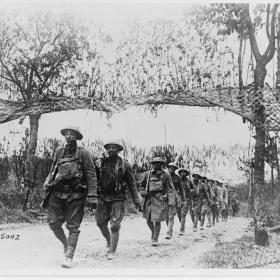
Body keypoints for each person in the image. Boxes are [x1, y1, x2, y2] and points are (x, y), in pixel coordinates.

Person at [43, 125, 98, 268]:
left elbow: (91, 174)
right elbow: (53, 169)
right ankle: (67, 245)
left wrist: (92, 195)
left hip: (76, 193)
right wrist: (47, 182)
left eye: (72, 134)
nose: (68, 136)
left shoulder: (84, 153)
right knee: (53, 223)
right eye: (66, 134)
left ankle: (69, 256)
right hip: (57, 191)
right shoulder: (59, 152)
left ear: (77, 137)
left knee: (73, 226)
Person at [95, 140, 141, 260]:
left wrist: (136, 200)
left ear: (118, 150)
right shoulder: (101, 163)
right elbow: (92, 178)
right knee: (100, 223)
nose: (111, 150)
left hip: (118, 198)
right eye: (109, 148)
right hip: (103, 197)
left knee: (115, 225)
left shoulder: (124, 164)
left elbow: (132, 183)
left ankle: (112, 251)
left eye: (114, 148)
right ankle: (109, 240)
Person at [140, 157, 175, 246]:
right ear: (153, 164)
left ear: (161, 164)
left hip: (159, 199)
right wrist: (142, 191)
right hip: (148, 199)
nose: (157, 165)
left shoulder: (166, 175)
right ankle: (153, 232)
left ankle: (155, 239)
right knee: (148, 220)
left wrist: (171, 201)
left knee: (157, 220)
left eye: (159, 163)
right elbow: (142, 185)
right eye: (155, 163)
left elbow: (170, 189)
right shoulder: (147, 174)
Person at [165, 162, 186, 239]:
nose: (171, 169)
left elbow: (181, 189)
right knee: (166, 216)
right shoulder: (164, 176)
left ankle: (169, 232)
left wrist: (183, 199)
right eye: (170, 167)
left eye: (173, 168)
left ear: (175, 169)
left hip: (174, 197)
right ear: (168, 168)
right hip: (165, 197)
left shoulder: (178, 178)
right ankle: (170, 229)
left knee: (171, 215)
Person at [178, 168, 194, 235]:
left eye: (184, 172)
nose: (183, 173)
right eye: (181, 172)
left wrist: (190, 190)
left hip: (187, 199)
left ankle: (182, 229)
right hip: (178, 199)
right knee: (179, 214)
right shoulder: (177, 180)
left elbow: (193, 189)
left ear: (186, 174)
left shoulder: (189, 181)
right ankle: (183, 225)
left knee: (183, 214)